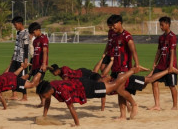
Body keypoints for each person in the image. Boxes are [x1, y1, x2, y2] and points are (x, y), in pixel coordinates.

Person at [37, 66, 178, 126]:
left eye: (44, 95)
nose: (44, 98)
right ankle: (128, 106)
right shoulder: (53, 85)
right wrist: (44, 114)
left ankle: (133, 71)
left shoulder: (61, 89)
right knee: (117, 87)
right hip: (86, 84)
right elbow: (48, 100)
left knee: (117, 86)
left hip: (89, 88)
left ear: (48, 90)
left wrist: (77, 124)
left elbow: (71, 108)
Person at [108, 14, 140, 120]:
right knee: (118, 91)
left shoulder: (127, 36)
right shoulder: (114, 36)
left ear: (120, 23)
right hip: (116, 67)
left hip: (124, 67)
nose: (113, 28)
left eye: (114, 25)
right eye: (111, 26)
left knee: (119, 89)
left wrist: (137, 64)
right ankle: (122, 115)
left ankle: (134, 104)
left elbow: (133, 50)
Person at [149, 16, 177, 110]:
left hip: (170, 65)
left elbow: (172, 51)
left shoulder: (172, 37)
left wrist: (170, 66)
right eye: (160, 25)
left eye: (162, 25)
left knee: (171, 85)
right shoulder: (161, 37)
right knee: (154, 81)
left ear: (168, 24)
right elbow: (159, 51)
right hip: (161, 65)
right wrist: (154, 62)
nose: (161, 27)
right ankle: (157, 105)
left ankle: (175, 105)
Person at [6, 16, 29, 101]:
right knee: (11, 75)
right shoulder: (18, 33)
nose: (14, 27)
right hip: (15, 58)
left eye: (15, 25)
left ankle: (24, 96)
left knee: (22, 78)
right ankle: (14, 94)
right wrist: (12, 57)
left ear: (20, 24)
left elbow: (26, 47)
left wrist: (25, 60)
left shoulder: (25, 33)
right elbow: (17, 47)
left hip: (22, 60)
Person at [28, 22, 49, 107]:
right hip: (35, 65)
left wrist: (44, 64)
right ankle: (43, 102)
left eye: (33, 32)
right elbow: (34, 55)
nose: (33, 34)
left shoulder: (44, 39)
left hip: (41, 66)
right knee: (38, 85)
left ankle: (47, 94)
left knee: (34, 83)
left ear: (38, 30)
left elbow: (45, 52)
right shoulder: (35, 40)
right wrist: (32, 67)